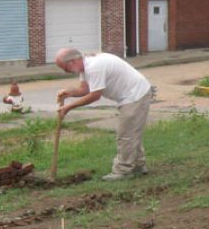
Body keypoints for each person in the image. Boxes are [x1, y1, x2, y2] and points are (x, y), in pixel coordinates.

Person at [55, 48, 153, 181]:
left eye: (65, 68)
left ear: (72, 61)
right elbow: (85, 89)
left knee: (126, 135)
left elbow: (95, 96)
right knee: (131, 132)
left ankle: (123, 171)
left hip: (135, 95)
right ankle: (138, 165)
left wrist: (69, 107)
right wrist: (68, 92)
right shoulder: (86, 67)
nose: (65, 71)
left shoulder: (94, 67)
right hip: (131, 95)